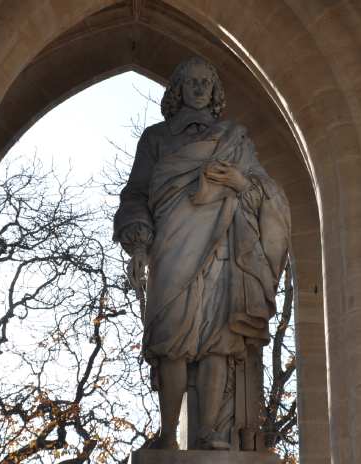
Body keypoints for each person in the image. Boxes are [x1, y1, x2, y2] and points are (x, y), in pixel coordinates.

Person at [113, 56, 290, 450]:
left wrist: (242, 182)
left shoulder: (234, 137)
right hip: (171, 247)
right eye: (190, 81)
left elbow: (264, 188)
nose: (197, 87)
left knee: (216, 340)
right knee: (169, 337)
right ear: (177, 89)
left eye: (204, 81)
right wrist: (138, 240)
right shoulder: (156, 139)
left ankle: (210, 432)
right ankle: (167, 435)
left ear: (214, 90)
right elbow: (135, 195)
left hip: (222, 247)